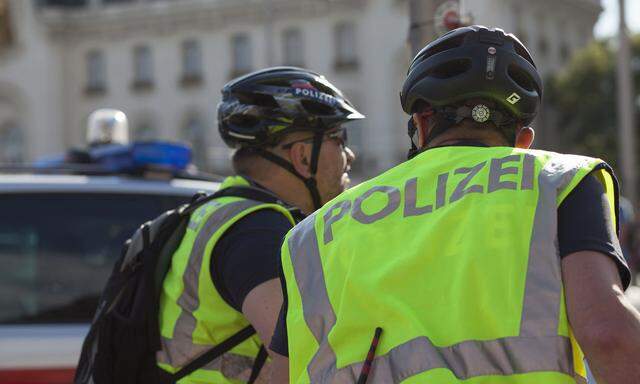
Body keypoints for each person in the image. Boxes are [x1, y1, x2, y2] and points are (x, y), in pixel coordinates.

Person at [270, 26, 640, 384]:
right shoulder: (559, 181)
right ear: (524, 140)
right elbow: (607, 334)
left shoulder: (312, 235)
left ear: (422, 124)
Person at [155, 66, 363, 383]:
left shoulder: (223, 211)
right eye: (338, 138)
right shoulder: (258, 232)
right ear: (303, 156)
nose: (350, 155)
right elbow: (305, 353)